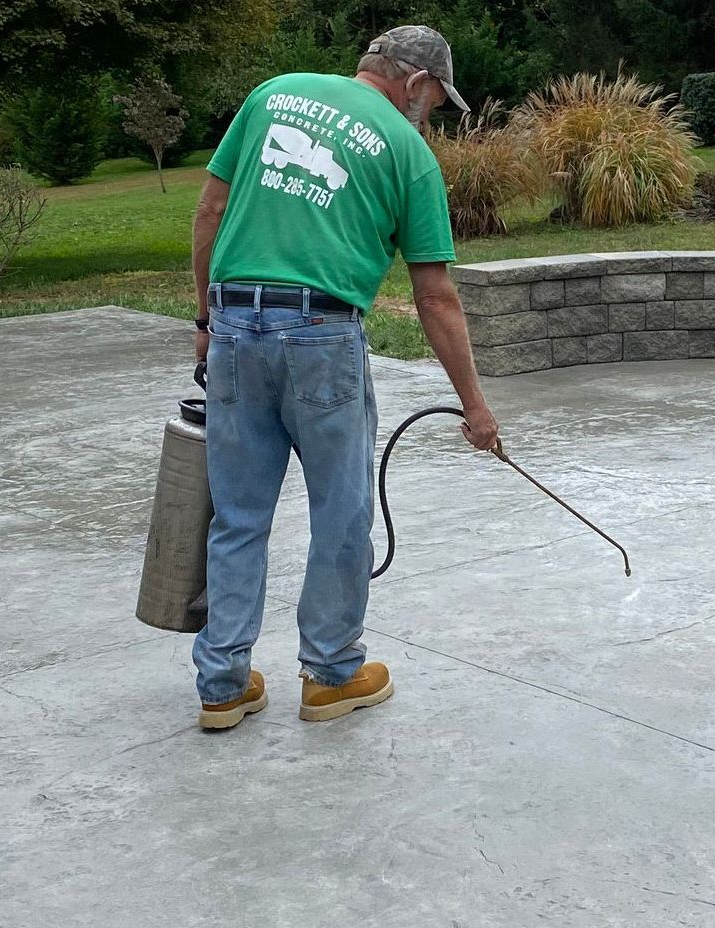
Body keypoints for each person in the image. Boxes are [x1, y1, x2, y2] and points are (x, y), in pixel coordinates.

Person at [189, 25, 499, 731]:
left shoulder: (273, 94)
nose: (431, 118)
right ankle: (330, 674)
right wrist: (475, 408)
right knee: (341, 511)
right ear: (415, 82)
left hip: (235, 324)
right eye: (435, 102)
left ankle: (222, 686)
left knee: (237, 514)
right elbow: (435, 298)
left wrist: (207, 320)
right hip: (321, 337)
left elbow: (209, 211)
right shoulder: (409, 154)